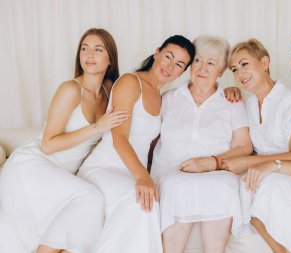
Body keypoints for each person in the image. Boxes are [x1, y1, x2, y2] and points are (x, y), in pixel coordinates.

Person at [0, 28, 127, 253]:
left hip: (62, 174)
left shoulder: (109, 90)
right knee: (90, 198)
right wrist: (97, 127)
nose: (89, 54)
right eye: (84, 48)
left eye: (98, 49)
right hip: (33, 166)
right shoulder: (70, 89)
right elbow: (48, 144)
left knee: (83, 215)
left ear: (110, 59)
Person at [77, 35, 195, 253]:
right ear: (157, 52)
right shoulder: (131, 82)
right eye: (168, 56)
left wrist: (229, 91)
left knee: (148, 205)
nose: (170, 66)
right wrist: (143, 177)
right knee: (141, 203)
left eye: (179, 64)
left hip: (130, 173)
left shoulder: (164, 97)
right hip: (104, 167)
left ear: (183, 72)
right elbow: (118, 138)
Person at [224, 38, 291, 253]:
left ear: (264, 63)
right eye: (234, 70)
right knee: (245, 187)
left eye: (245, 64)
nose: (239, 74)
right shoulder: (248, 105)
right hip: (265, 175)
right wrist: (226, 92)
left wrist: (249, 161)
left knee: (270, 186)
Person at [150, 35, 253, 253]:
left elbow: (244, 147)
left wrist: (212, 162)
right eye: (198, 60)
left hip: (216, 172)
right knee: (174, 185)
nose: (203, 68)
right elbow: (148, 137)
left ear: (222, 70)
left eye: (211, 63)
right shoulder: (168, 99)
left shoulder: (231, 102)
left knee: (224, 186)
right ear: (190, 64)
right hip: (171, 170)